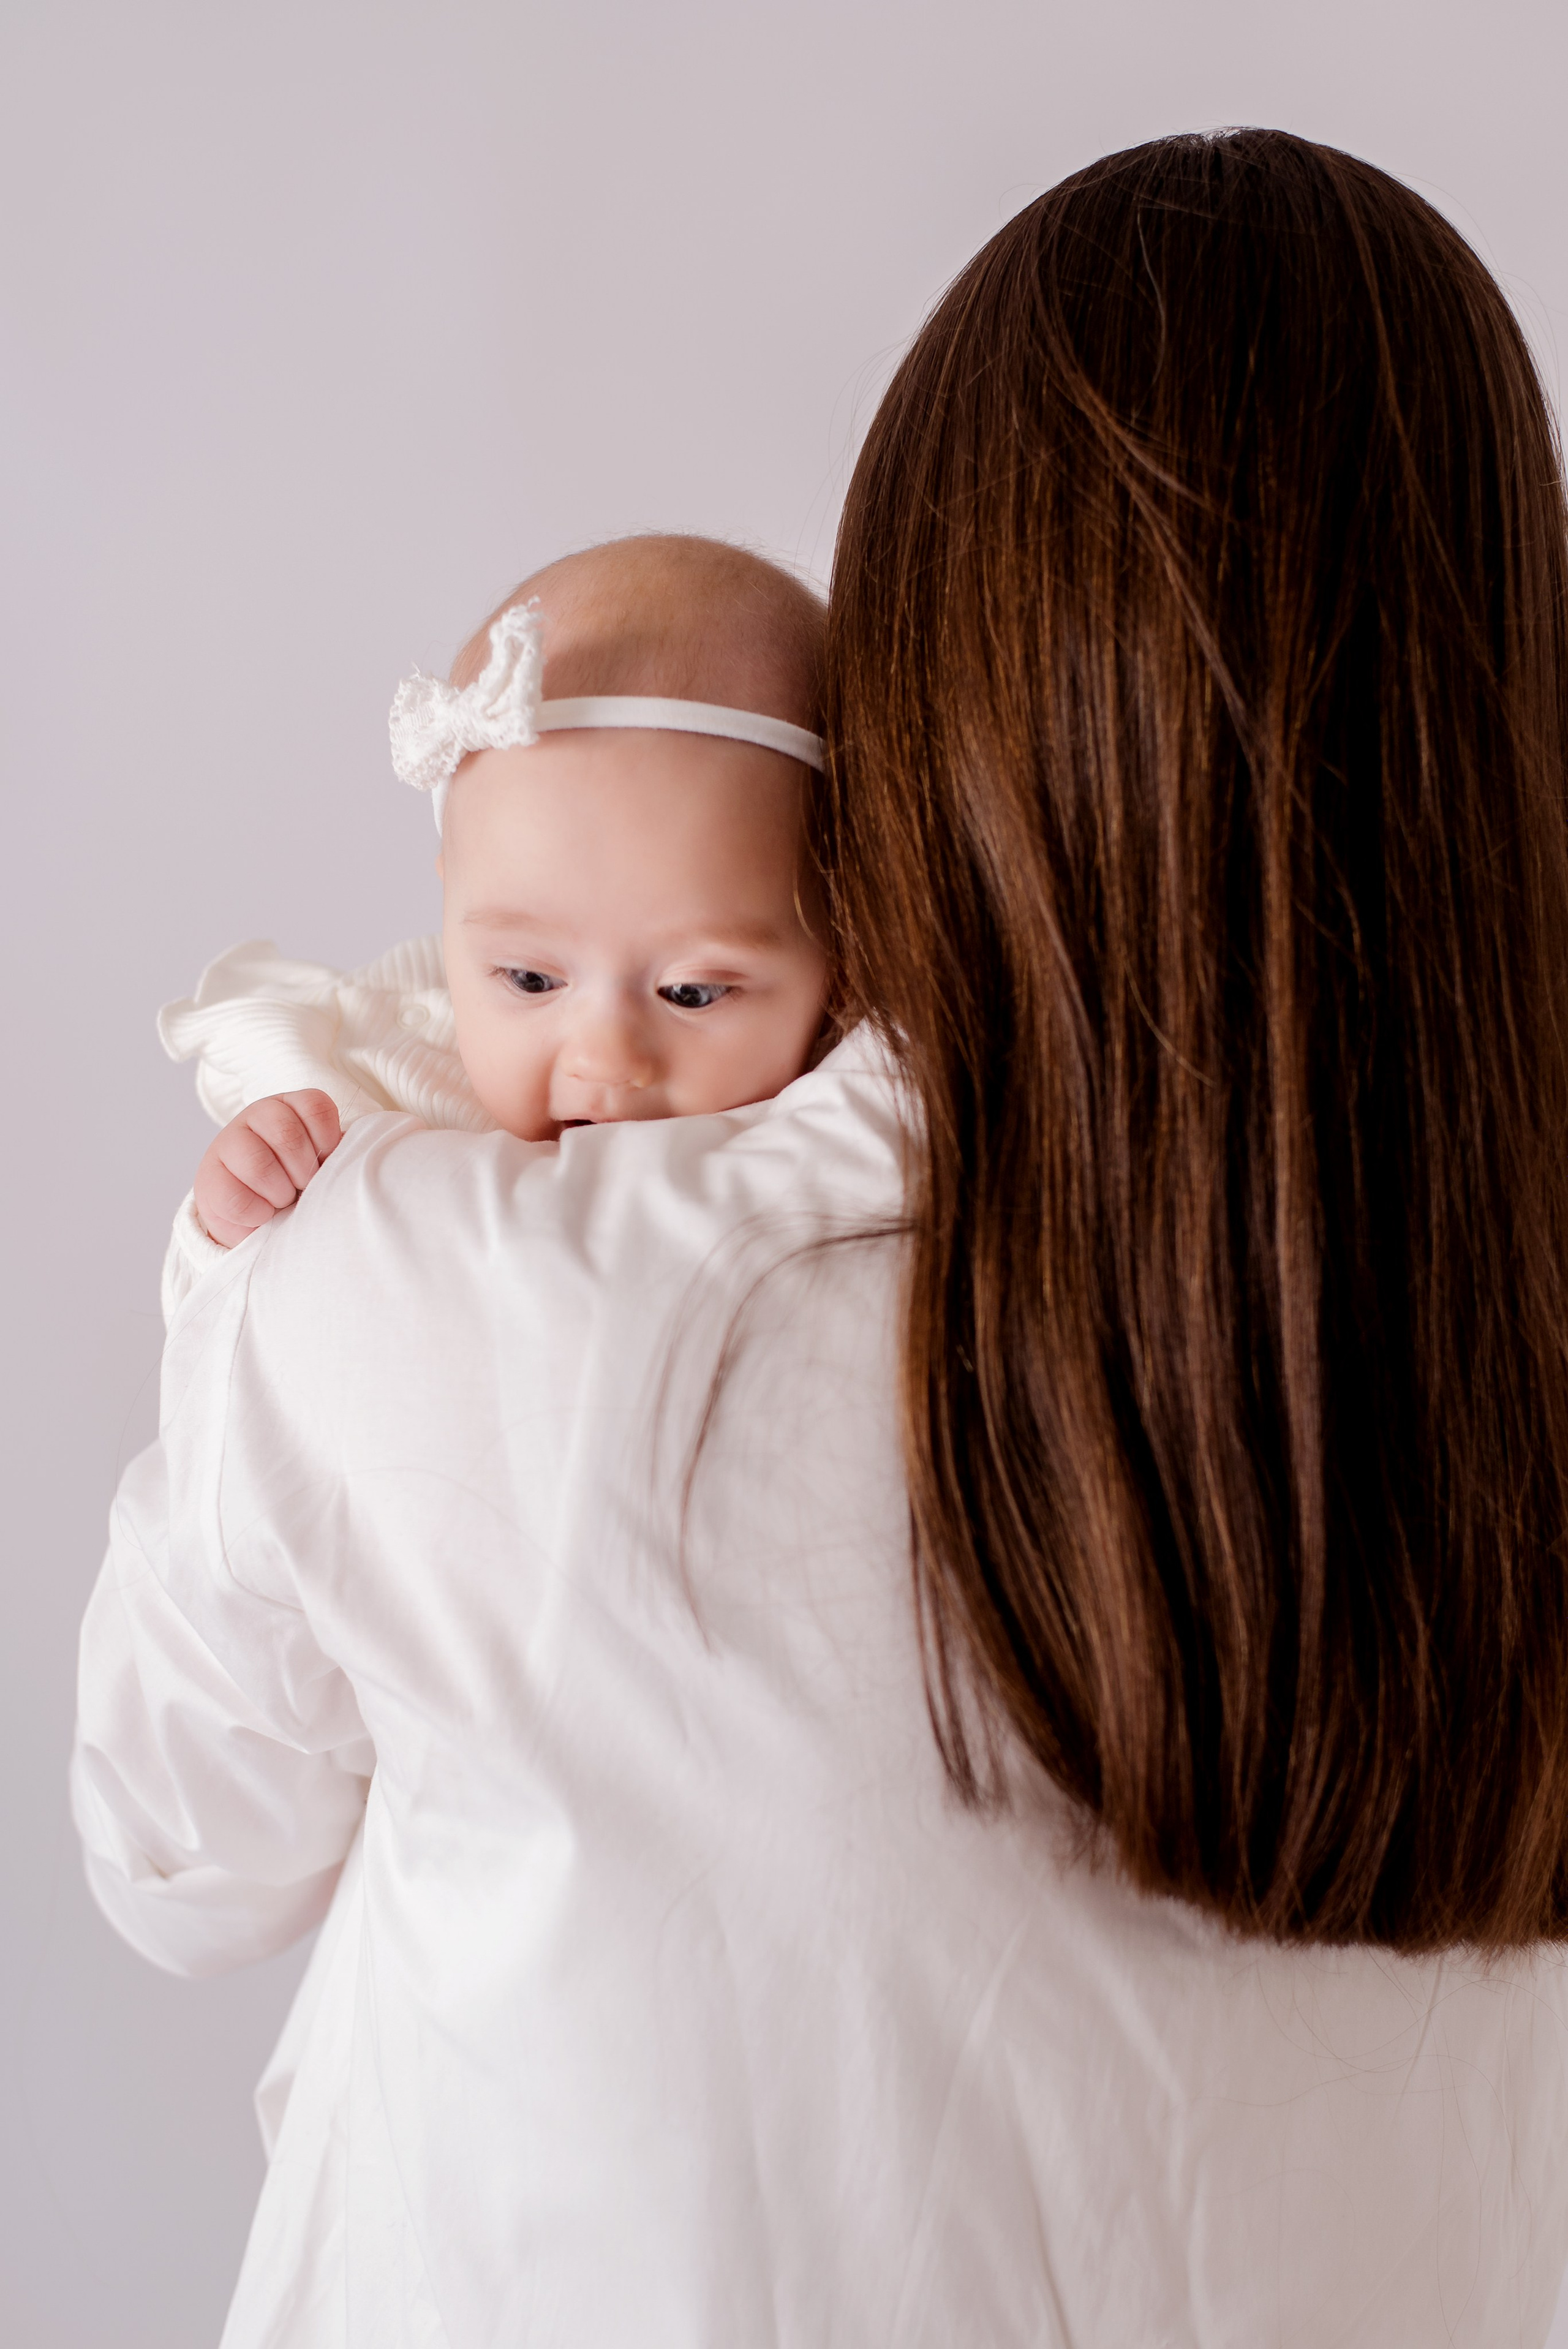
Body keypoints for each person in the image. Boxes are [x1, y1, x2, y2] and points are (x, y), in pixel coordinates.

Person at [73, 130, 1568, 2348]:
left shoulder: (448, 1289)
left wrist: (237, 1307)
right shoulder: (1499, 1394)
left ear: (910, 726)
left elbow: (176, 1861)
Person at [157, 530, 833, 1316]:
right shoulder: (382, 1090)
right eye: (531, 979)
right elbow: (226, 1356)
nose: (606, 1059)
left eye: (691, 991)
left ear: (843, 945)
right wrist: (230, 1224)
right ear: (451, 909)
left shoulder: (837, 1129)